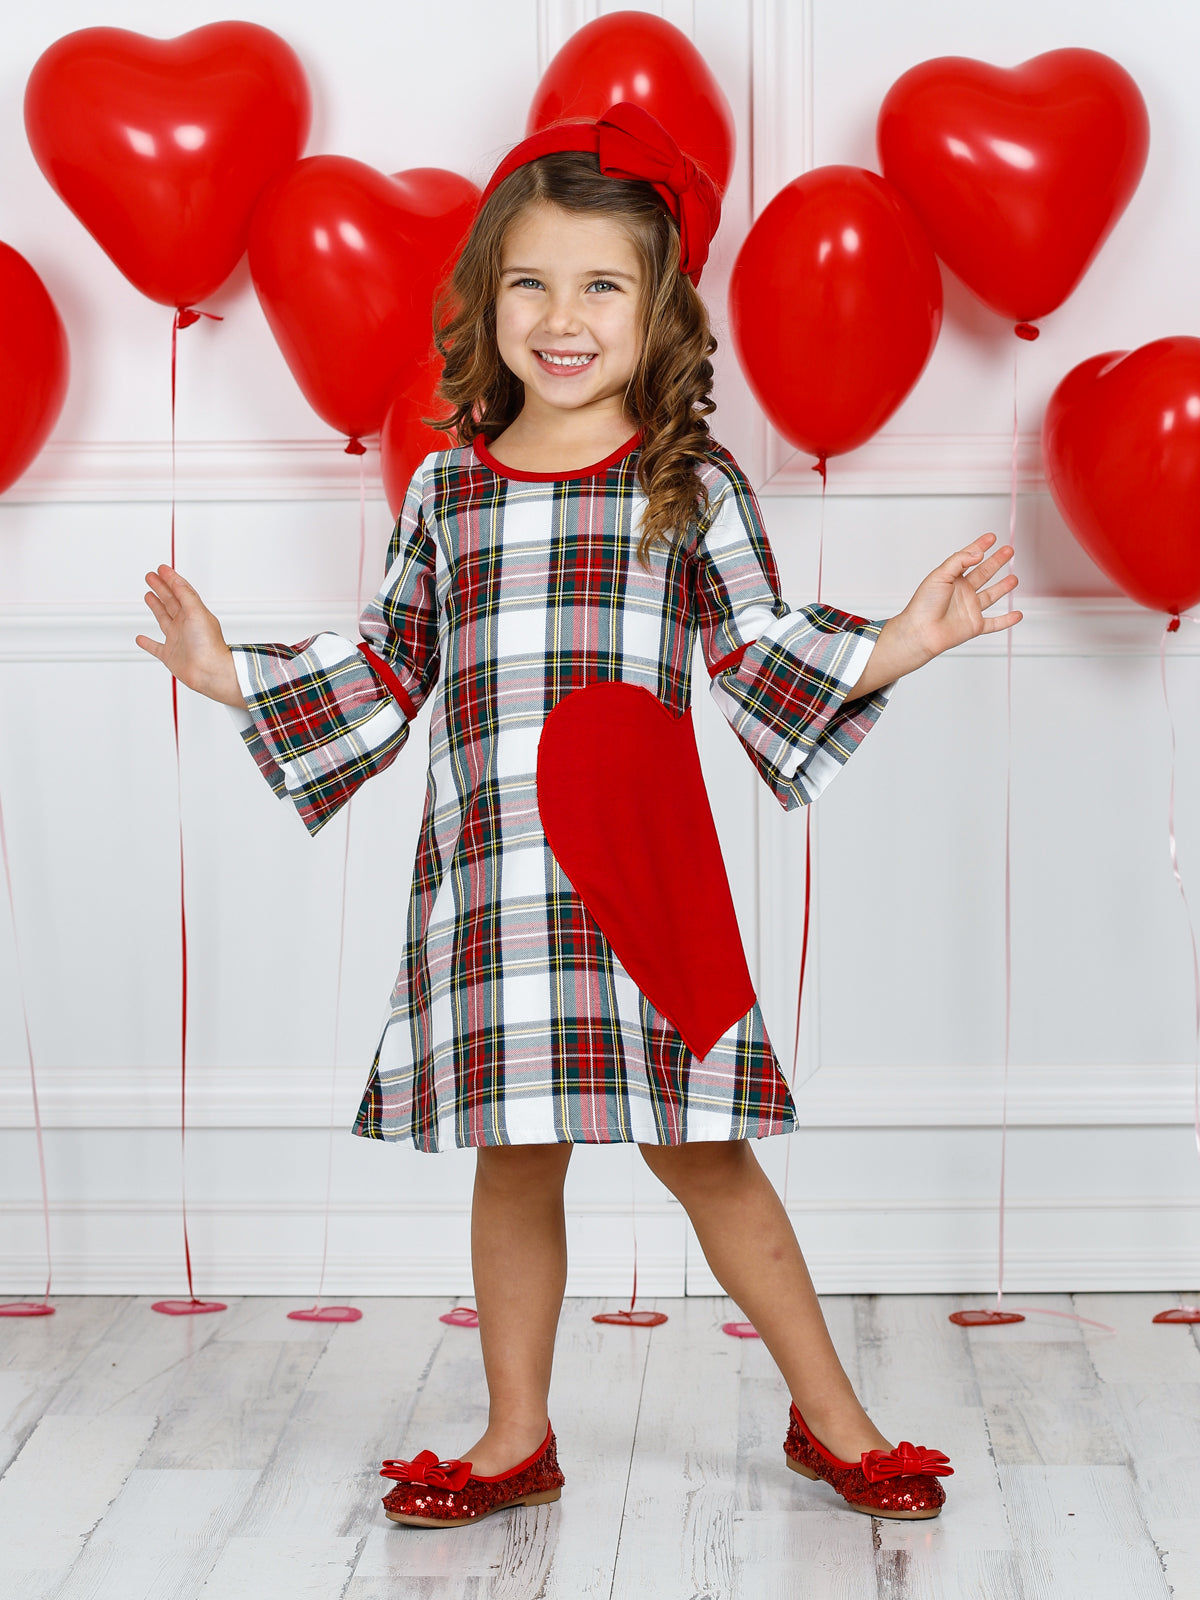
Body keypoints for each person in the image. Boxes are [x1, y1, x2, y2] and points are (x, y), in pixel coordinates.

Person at [136, 102, 1021, 1529]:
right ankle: (514, 1434)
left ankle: (835, 1419)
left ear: (659, 310)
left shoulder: (690, 485)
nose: (562, 318)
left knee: (707, 1153)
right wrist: (230, 673)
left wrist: (902, 640)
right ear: (485, 301)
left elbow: (758, 655)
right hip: (499, 885)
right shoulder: (446, 490)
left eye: (602, 285)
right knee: (515, 1156)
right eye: (530, 283)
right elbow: (387, 667)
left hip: (642, 879)